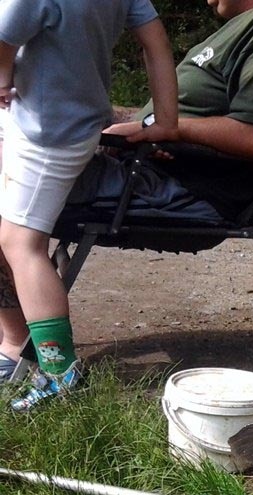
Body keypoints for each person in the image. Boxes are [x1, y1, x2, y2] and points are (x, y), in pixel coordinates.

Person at [0, 0, 253, 407]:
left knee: (18, 237)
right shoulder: (234, 29)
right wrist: (146, 129)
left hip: (175, 189)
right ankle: (16, 347)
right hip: (139, 162)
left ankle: (48, 367)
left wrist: (168, 131)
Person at [0, 0, 179, 409]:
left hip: (46, 133)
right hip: (78, 125)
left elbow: (2, 41)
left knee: (20, 243)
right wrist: (166, 119)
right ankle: (15, 349)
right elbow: (157, 43)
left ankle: (59, 375)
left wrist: (2, 78)